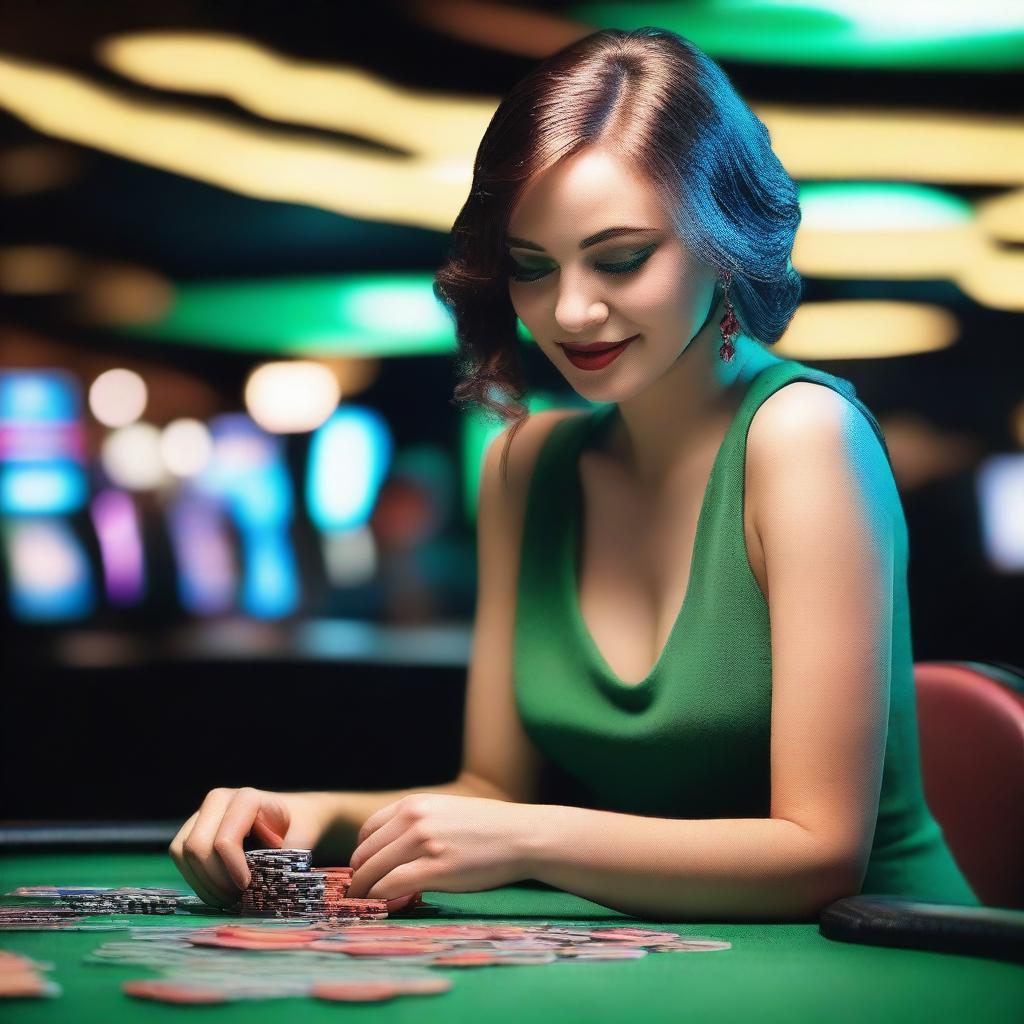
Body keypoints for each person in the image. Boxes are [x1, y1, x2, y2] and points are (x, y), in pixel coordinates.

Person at [170, 27, 980, 921]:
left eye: (622, 257)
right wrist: (317, 816)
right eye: (531, 267)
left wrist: (531, 840)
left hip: (878, 958)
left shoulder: (803, 435)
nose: (570, 310)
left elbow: (818, 854)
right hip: (660, 957)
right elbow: (489, 789)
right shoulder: (525, 461)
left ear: (722, 241)